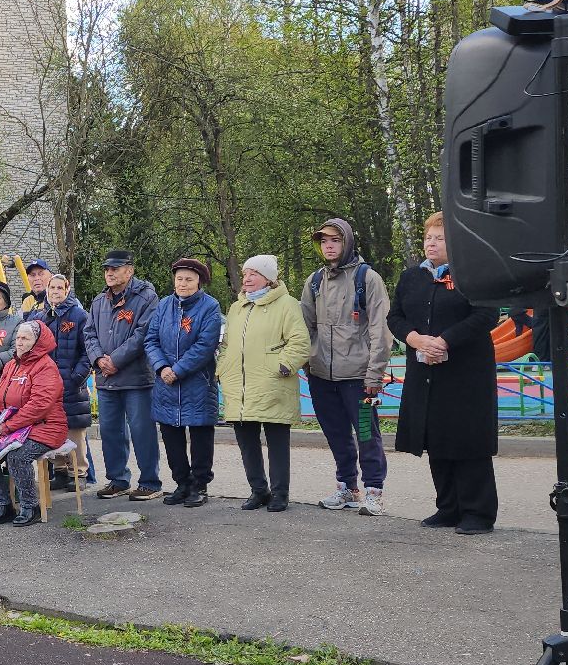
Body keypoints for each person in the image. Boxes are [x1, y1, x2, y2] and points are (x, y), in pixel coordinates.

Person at [388, 214, 499, 534]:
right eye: (428, 238)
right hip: (425, 373)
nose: (431, 243)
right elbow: (395, 317)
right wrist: (414, 338)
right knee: (436, 439)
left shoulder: (474, 275)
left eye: (439, 238)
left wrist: (445, 340)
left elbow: (487, 315)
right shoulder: (412, 277)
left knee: (468, 442)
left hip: (466, 376)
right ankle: (448, 507)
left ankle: (478, 512)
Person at [301, 218, 394, 515]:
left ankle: (373, 491)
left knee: (367, 433)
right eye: (324, 241)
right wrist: (308, 360)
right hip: (321, 375)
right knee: (336, 434)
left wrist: (374, 373)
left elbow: (381, 328)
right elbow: (304, 326)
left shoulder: (367, 278)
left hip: (358, 376)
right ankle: (347, 488)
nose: (329, 246)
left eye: (335, 240)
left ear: (348, 243)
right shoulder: (315, 280)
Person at [217, 255, 310, 513]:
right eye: (245, 273)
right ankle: (259, 490)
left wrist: (283, 364)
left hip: (273, 383)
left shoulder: (287, 304)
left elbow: (300, 342)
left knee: (277, 444)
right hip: (239, 386)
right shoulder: (237, 308)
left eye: (253, 274)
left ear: (269, 279)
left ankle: (280, 493)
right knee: (247, 443)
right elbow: (225, 346)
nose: (246, 279)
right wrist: (222, 369)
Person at [85, 249, 163, 501]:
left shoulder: (147, 297)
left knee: (142, 430)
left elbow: (143, 335)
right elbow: (89, 334)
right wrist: (98, 359)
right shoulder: (98, 301)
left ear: (129, 270)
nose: (109, 273)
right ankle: (118, 479)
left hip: (136, 378)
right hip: (107, 380)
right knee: (110, 431)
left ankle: (150, 482)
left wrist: (114, 360)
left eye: (115, 269)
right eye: (107, 269)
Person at [145, 258, 223, 507]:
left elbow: (205, 345)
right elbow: (151, 340)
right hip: (166, 384)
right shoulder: (164, 305)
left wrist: (177, 370)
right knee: (171, 436)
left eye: (189, 279)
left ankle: (200, 485)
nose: (183, 283)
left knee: (200, 435)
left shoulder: (210, 307)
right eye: (179, 278)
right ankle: (182, 483)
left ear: (199, 281)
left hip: (197, 383)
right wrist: (162, 367)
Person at [0, 321, 68, 526]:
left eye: (25, 338)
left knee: (17, 456)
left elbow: (39, 405)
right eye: (17, 338)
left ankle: (29, 506)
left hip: (45, 427)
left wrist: (6, 427)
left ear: (38, 342)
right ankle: (3, 505)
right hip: (13, 428)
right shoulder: (11, 365)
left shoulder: (45, 367)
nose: (19, 342)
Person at [33, 272, 94, 490]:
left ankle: (79, 473)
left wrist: (76, 377)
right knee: (52, 426)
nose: (55, 292)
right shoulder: (40, 318)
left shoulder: (79, 315)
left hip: (71, 383)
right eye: (52, 288)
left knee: (74, 430)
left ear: (67, 290)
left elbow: (88, 352)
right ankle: (59, 470)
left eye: (60, 288)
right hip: (47, 385)